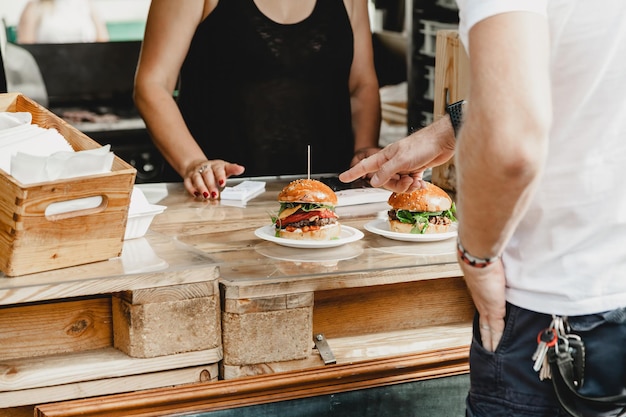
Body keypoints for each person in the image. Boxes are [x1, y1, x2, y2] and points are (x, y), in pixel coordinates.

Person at [340, 1, 626, 415]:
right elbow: (588, 77)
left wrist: (477, 257)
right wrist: (450, 128)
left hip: (551, 316)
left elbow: (511, 148)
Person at [133, 0, 381, 200]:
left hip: (328, 197)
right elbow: (153, 84)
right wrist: (193, 162)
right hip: (218, 197)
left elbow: (361, 85)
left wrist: (363, 149)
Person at [16, 0, 109, 44]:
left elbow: (102, 42)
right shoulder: (34, 7)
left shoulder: (87, 4)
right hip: (48, 70)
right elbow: (27, 49)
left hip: (86, 69)